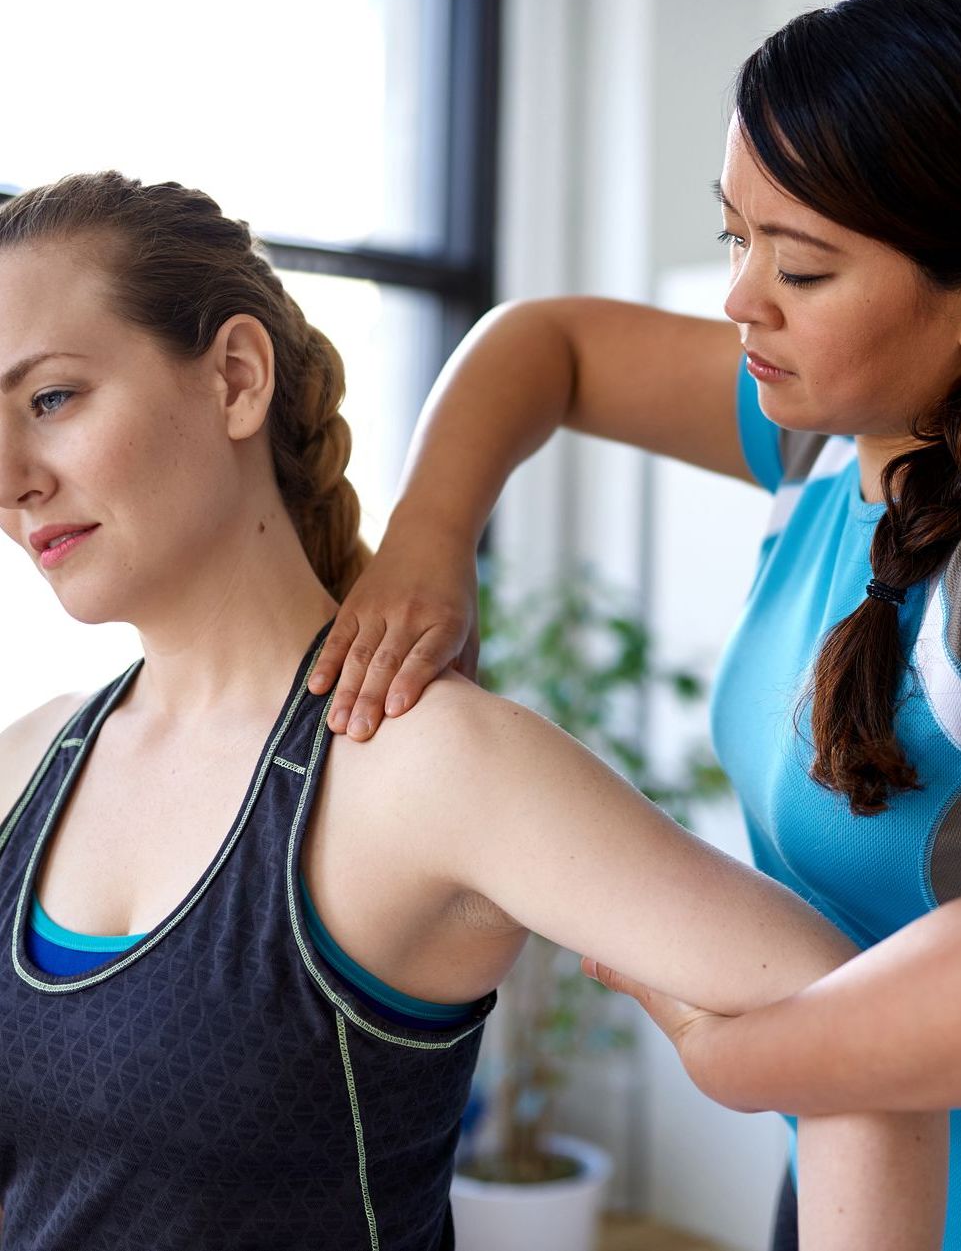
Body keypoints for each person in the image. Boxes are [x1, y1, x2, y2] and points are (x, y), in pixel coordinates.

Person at [0, 173, 944, 1251]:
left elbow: (861, 1060)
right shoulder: (23, 765)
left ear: (235, 378)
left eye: (51, 400)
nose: (10, 475)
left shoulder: (424, 766)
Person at [301, 0, 961, 1249]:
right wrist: (431, 541)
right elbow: (543, 345)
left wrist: (738, 1064)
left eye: (803, 265)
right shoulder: (830, 445)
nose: (739, 299)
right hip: (836, 1170)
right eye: (736, 238)